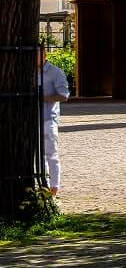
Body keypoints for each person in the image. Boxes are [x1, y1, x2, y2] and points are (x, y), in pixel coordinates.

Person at [39, 45, 69, 195]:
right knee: (37, 156)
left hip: (48, 118)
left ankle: (54, 187)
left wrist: (44, 98)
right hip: (33, 119)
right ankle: (42, 186)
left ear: (44, 55)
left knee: (51, 153)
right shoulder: (28, 71)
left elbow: (64, 95)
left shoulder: (55, 72)